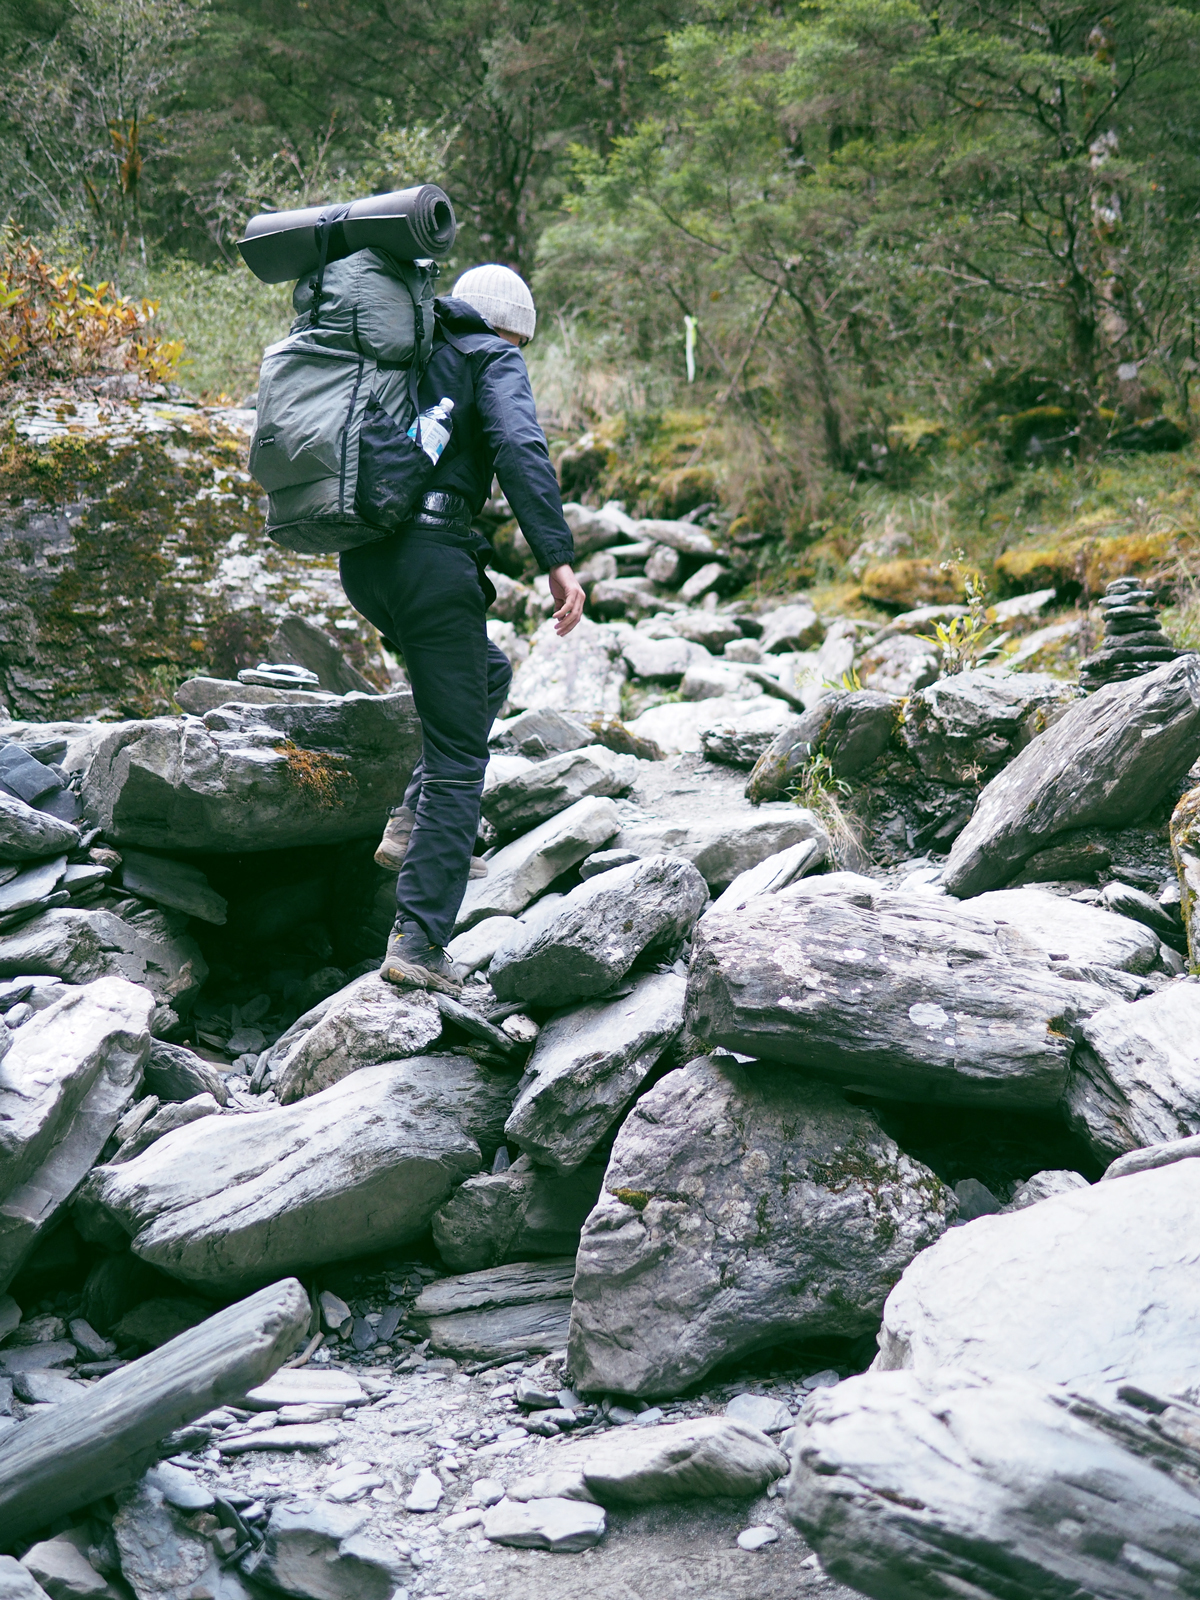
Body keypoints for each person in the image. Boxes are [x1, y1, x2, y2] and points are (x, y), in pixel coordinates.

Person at [339, 263, 585, 995]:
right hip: (430, 559)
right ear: (510, 328)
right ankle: (419, 941)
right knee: (457, 761)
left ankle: (410, 825)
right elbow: (521, 449)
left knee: (487, 672)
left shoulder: (406, 352)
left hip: (366, 562)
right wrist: (558, 560)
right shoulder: (492, 354)